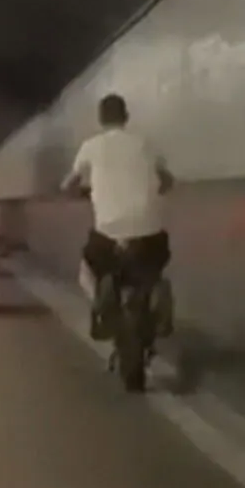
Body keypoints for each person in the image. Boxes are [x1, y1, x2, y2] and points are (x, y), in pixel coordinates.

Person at [60, 93, 173, 341]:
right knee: (154, 270)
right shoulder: (146, 143)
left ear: (101, 119)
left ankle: (102, 303)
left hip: (108, 235)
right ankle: (158, 297)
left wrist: (84, 193)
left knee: (86, 272)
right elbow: (167, 180)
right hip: (149, 233)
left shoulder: (91, 146)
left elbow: (67, 186)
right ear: (126, 117)